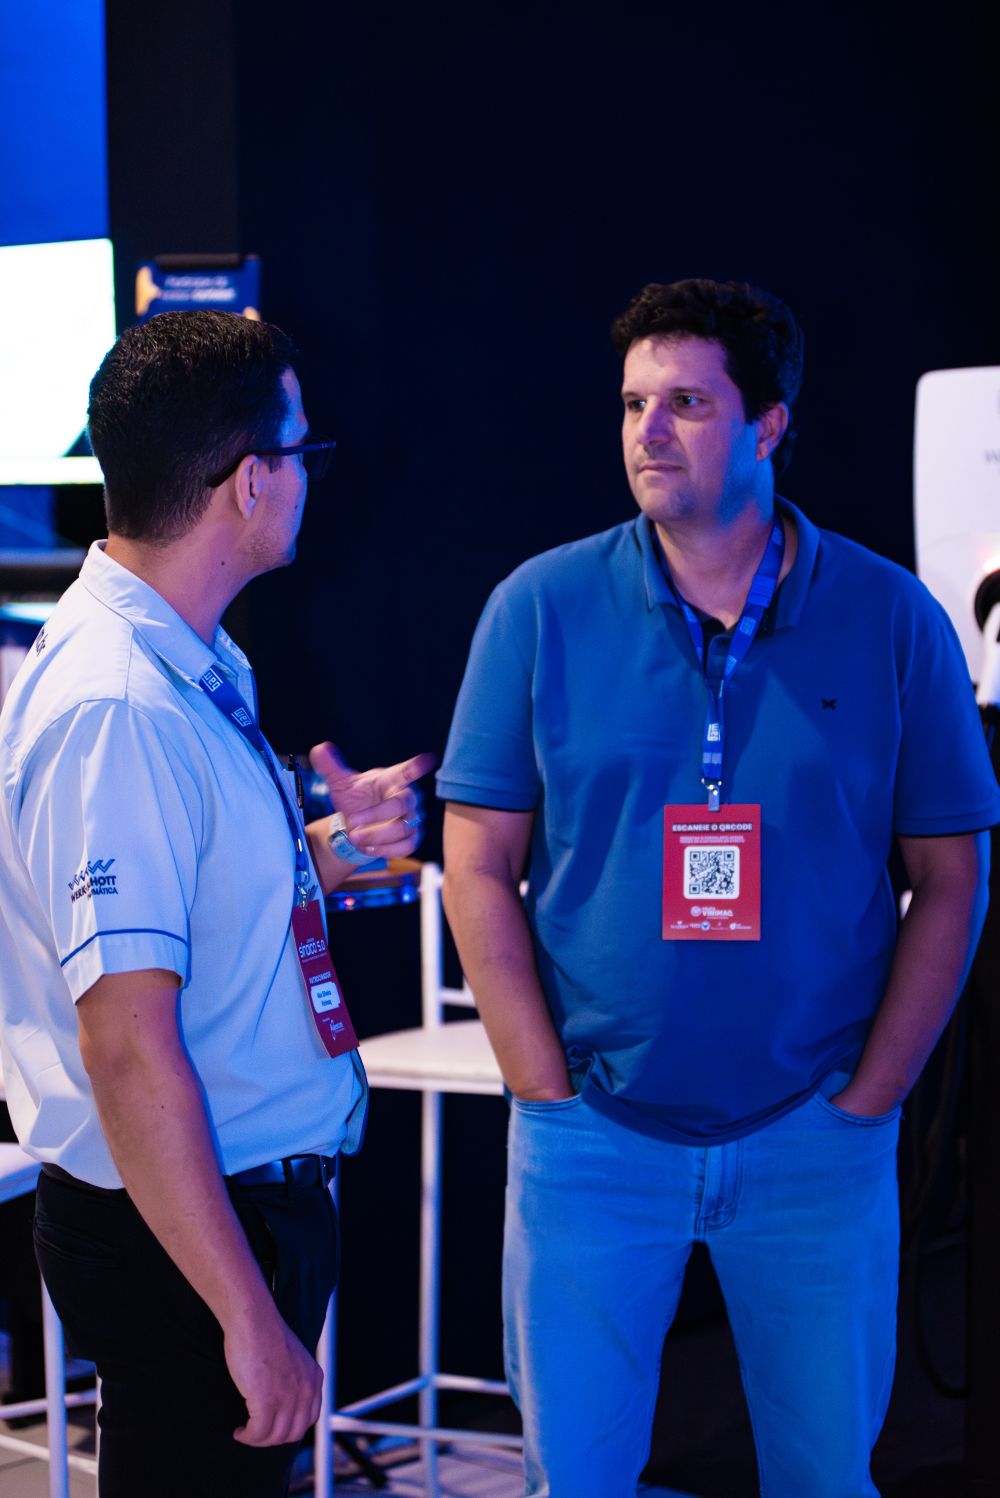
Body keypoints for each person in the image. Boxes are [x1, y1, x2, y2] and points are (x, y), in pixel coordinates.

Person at [437, 278, 1000, 1497]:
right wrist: (540, 1086)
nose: (647, 429)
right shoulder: (538, 608)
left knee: (824, 1479)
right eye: (632, 402)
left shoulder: (892, 618)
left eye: (686, 403)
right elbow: (474, 860)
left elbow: (952, 879)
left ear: (769, 424)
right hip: (592, 1140)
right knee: (574, 1481)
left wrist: (871, 1099)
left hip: (814, 1138)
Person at [0, 309, 433, 1498]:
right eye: (302, 452)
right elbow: (126, 1045)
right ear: (250, 481)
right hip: (189, 1233)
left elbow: (192, 898)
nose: (306, 480)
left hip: (217, 1213)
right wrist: (244, 1312)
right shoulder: (119, 705)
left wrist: (328, 849)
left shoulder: (182, 660)